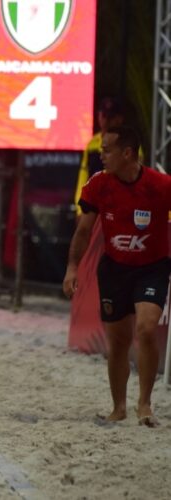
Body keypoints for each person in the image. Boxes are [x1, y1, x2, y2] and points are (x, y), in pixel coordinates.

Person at [63, 125, 171, 428]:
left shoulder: (161, 185)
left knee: (148, 329)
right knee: (118, 342)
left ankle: (145, 405)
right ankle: (119, 407)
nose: (102, 155)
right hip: (114, 268)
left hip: (152, 267)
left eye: (107, 150)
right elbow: (83, 231)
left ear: (127, 153)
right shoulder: (99, 184)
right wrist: (72, 267)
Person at [73, 97, 141, 216]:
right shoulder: (92, 144)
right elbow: (83, 177)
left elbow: (137, 177)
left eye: (110, 117)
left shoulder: (131, 144)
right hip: (94, 206)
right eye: (103, 115)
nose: (106, 120)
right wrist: (80, 209)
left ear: (119, 119)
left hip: (120, 208)